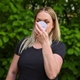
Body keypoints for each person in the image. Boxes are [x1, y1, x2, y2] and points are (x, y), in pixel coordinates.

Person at [6, 6, 66, 80]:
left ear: (53, 25)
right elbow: (12, 72)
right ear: (35, 22)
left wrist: (45, 42)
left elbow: (52, 74)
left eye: (46, 22)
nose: (41, 25)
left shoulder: (58, 46)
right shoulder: (24, 43)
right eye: (38, 21)